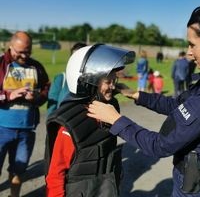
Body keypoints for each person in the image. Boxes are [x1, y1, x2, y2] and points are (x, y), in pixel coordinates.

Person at [87, 0, 200, 196]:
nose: (189, 53)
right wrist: (136, 95)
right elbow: (177, 105)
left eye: (192, 45)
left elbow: (159, 145)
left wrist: (115, 120)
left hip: (196, 190)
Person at [45, 44, 135, 197]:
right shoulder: (70, 124)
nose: (113, 87)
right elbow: (55, 175)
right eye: (108, 82)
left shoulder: (109, 110)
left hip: (105, 189)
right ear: (88, 81)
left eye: (115, 80)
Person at [0, 31, 50, 197]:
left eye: (27, 51)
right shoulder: (1, 63)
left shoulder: (36, 67)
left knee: (18, 171)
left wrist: (37, 97)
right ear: (10, 46)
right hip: (1, 129)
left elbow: (46, 89)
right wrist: (9, 95)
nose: (23, 55)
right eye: (19, 51)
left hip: (26, 130)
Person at [47, 42, 87, 116]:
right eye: (74, 57)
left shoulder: (95, 81)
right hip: (63, 125)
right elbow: (51, 108)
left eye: (81, 58)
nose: (77, 61)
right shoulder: (61, 79)